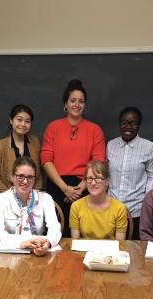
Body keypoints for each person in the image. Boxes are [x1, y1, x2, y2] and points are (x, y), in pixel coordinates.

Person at [41, 79, 106, 237]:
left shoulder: (94, 130)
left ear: (85, 105)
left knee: (82, 235)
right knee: (56, 235)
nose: (77, 105)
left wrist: (79, 189)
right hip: (57, 187)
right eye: (73, 100)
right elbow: (46, 160)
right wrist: (64, 188)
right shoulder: (53, 127)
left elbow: (98, 163)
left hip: (85, 187)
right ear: (66, 103)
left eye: (81, 101)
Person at [0, 157, 61, 256]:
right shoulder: (1, 199)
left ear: (34, 179)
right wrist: (21, 243)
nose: (25, 181)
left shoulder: (46, 199)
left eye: (30, 177)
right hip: (11, 254)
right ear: (12, 176)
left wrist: (48, 243)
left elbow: (55, 228)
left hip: (38, 250)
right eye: (20, 176)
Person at [107, 106, 153, 240]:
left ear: (139, 125)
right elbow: (106, 175)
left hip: (137, 210)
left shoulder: (149, 147)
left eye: (133, 123)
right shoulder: (111, 145)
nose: (128, 126)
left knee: (133, 253)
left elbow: (152, 177)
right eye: (124, 122)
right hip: (111, 209)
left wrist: (147, 206)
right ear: (119, 124)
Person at [0, 104, 42, 194]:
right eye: (19, 120)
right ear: (11, 120)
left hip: (32, 198)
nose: (23, 124)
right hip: (7, 198)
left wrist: (34, 194)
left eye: (27, 121)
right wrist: (12, 197)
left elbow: (39, 174)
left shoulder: (35, 142)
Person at [70, 160, 128, 240]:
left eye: (98, 178)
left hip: (110, 251)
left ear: (107, 181)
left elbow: (120, 244)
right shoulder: (76, 206)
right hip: (84, 251)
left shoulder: (119, 208)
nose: (93, 183)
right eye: (89, 178)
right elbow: (75, 241)